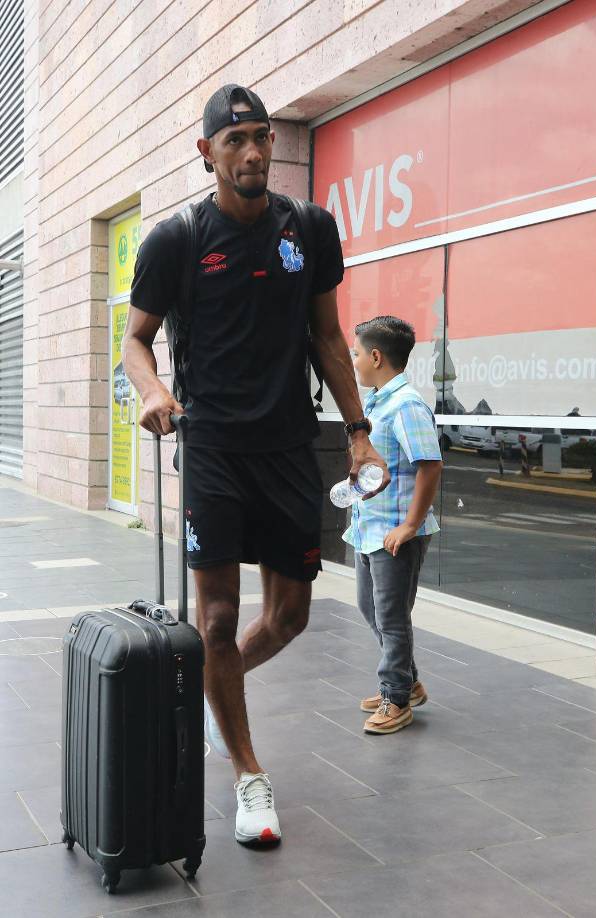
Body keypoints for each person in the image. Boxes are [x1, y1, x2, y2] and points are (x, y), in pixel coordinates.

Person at [122, 83, 390, 846]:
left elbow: (329, 338)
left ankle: (213, 690)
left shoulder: (308, 228)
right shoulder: (175, 241)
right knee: (215, 622)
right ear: (207, 153)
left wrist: (359, 431)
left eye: (262, 138)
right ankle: (247, 773)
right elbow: (135, 339)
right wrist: (151, 390)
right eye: (235, 142)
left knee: (292, 616)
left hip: (286, 448)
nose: (252, 152)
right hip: (211, 449)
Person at [345, 316, 442, 735]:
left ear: (376, 356)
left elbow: (431, 465)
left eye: (356, 353)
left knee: (391, 617)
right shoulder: (376, 401)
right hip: (370, 528)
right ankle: (407, 682)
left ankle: (396, 699)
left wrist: (410, 525)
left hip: (396, 535)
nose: (354, 359)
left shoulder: (406, 405)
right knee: (373, 610)